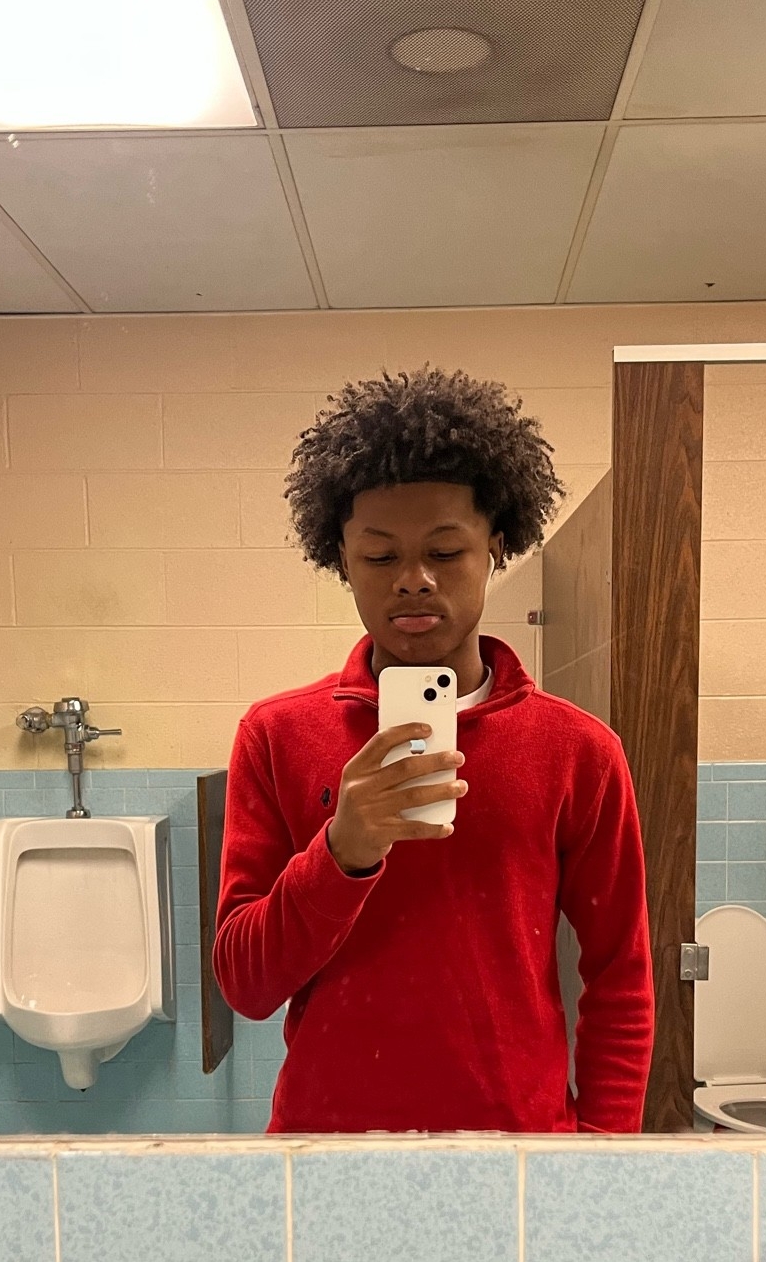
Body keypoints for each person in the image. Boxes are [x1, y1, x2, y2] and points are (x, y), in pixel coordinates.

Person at [213, 365, 653, 1134]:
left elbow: (621, 979)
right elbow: (245, 986)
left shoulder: (580, 751)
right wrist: (341, 853)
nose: (414, 581)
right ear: (341, 558)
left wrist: (601, 1159)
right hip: (325, 1150)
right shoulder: (276, 735)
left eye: (445, 553)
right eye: (380, 558)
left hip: (518, 1153)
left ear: (496, 548)